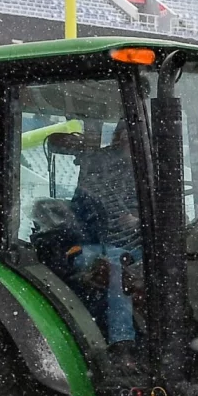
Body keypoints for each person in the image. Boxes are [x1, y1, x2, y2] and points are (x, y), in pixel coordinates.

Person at [71, 121, 142, 348]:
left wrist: (139, 222)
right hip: (104, 244)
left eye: (134, 139)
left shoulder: (151, 173)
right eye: (125, 137)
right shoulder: (103, 174)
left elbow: (165, 215)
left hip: (140, 245)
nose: (129, 143)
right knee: (117, 267)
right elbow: (89, 213)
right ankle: (123, 343)